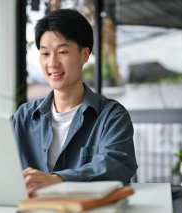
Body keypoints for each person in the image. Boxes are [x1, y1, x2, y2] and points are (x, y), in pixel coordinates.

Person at [10, 9, 137, 196]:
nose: (52, 63)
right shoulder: (23, 117)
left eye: (62, 52)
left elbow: (118, 164)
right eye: (45, 54)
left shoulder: (111, 115)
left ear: (84, 55)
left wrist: (57, 179)